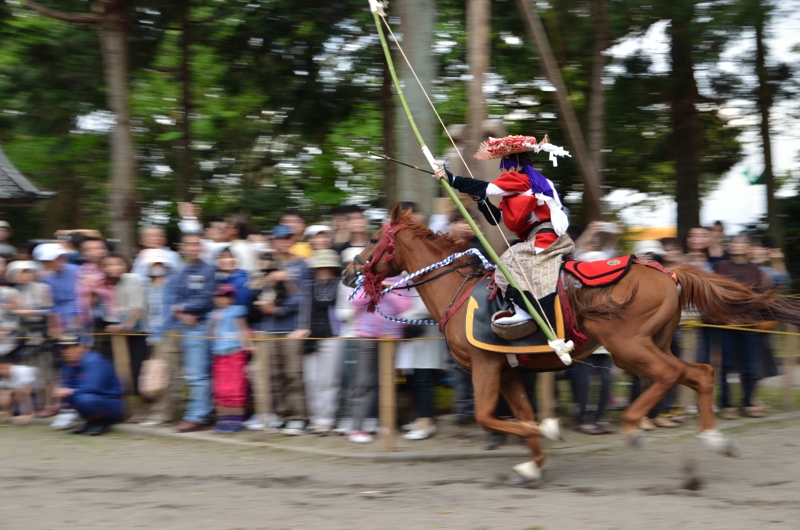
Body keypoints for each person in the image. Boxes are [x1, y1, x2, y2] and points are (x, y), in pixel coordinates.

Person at [433, 135, 572, 331]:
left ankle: (524, 310)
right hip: (544, 237)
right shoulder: (530, 183)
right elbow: (495, 219)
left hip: (543, 238)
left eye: (504, 168)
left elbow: (488, 187)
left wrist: (451, 179)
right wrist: (481, 201)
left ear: (513, 167)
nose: (503, 173)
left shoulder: (520, 179)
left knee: (508, 263)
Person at [346, 275, 412, 444]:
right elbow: (355, 300)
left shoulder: (402, 279)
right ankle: (357, 426)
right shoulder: (365, 276)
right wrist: (374, 288)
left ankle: (386, 423)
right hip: (367, 336)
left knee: (388, 382)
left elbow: (405, 306)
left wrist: (388, 289)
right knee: (363, 381)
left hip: (391, 338)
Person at [258, 225, 309, 434]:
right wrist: (268, 284)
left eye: (289, 238)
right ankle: (282, 415)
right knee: (274, 375)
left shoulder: (302, 265)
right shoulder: (265, 262)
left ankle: (298, 417)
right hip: (269, 328)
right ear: (273, 241)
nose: (285, 242)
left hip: (291, 327)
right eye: (281, 239)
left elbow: (303, 297)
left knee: (293, 374)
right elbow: (255, 288)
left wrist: (279, 309)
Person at [714, 233, 769, 419]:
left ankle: (748, 402)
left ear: (748, 247)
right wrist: (726, 316)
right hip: (727, 323)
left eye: (740, 243)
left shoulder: (755, 269)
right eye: (734, 242)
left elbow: (759, 296)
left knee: (749, 365)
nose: (736, 245)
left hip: (749, 324)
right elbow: (717, 293)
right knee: (726, 364)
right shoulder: (722, 266)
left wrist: (752, 317)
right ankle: (726, 404)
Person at [171, 233, 216, 432]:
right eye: (188, 244)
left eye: (196, 244)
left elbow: (207, 299)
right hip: (185, 326)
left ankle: (197, 416)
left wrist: (181, 308)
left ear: (202, 248)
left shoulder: (209, 270)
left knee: (199, 374)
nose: (192, 247)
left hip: (202, 324)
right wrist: (181, 314)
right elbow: (172, 299)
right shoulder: (180, 270)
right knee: (192, 373)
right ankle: (199, 412)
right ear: (182, 247)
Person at [295, 249, 342, 435]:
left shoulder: (340, 285)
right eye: (319, 268)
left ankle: (327, 419)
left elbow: (327, 300)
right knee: (311, 380)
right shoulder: (308, 286)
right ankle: (315, 418)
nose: (322, 272)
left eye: (326, 268)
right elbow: (304, 310)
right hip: (311, 338)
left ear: (332, 269)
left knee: (328, 380)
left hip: (333, 336)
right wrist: (302, 329)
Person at [7, 260, 57, 416]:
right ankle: (34, 407)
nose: (24, 276)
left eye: (27, 272)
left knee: (48, 371)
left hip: (42, 333)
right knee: (30, 372)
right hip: (22, 336)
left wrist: (28, 312)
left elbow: (50, 310)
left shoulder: (42, 288)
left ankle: (49, 405)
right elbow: (8, 313)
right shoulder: (11, 292)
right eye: (20, 273)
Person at [138, 249, 179, 427]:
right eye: (153, 264)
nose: (156, 267)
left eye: (159, 263)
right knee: (156, 374)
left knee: (165, 374)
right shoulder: (148, 285)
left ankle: (163, 414)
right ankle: (161, 411)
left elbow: (171, 311)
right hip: (153, 335)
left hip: (169, 333)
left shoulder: (173, 283)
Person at [52, 335, 123, 436]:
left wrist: (69, 391)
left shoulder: (95, 361)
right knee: (69, 397)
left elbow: (94, 387)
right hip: (95, 399)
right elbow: (66, 384)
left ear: (80, 347)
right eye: (62, 348)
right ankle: (91, 421)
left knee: (84, 398)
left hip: (110, 403)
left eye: (67, 348)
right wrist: (60, 390)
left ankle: (100, 422)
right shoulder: (69, 364)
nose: (64, 351)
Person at [207, 284, 252, 434]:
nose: (222, 300)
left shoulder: (237, 311)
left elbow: (243, 328)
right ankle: (223, 420)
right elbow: (209, 334)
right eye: (219, 296)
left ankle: (236, 420)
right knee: (221, 389)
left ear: (232, 298)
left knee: (236, 388)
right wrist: (213, 321)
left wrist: (248, 344)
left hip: (235, 354)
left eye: (226, 296)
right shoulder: (212, 314)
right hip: (219, 355)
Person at [0, 356, 37, 425]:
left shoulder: (22, 370)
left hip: (37, 389)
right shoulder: (4, 375)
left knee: (20, 390)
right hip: (20, 391)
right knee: (4, 393)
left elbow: (26, 390)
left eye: (2, 368)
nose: (1, 371)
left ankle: (28, 413)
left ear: (9, 365)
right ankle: (7, 412)